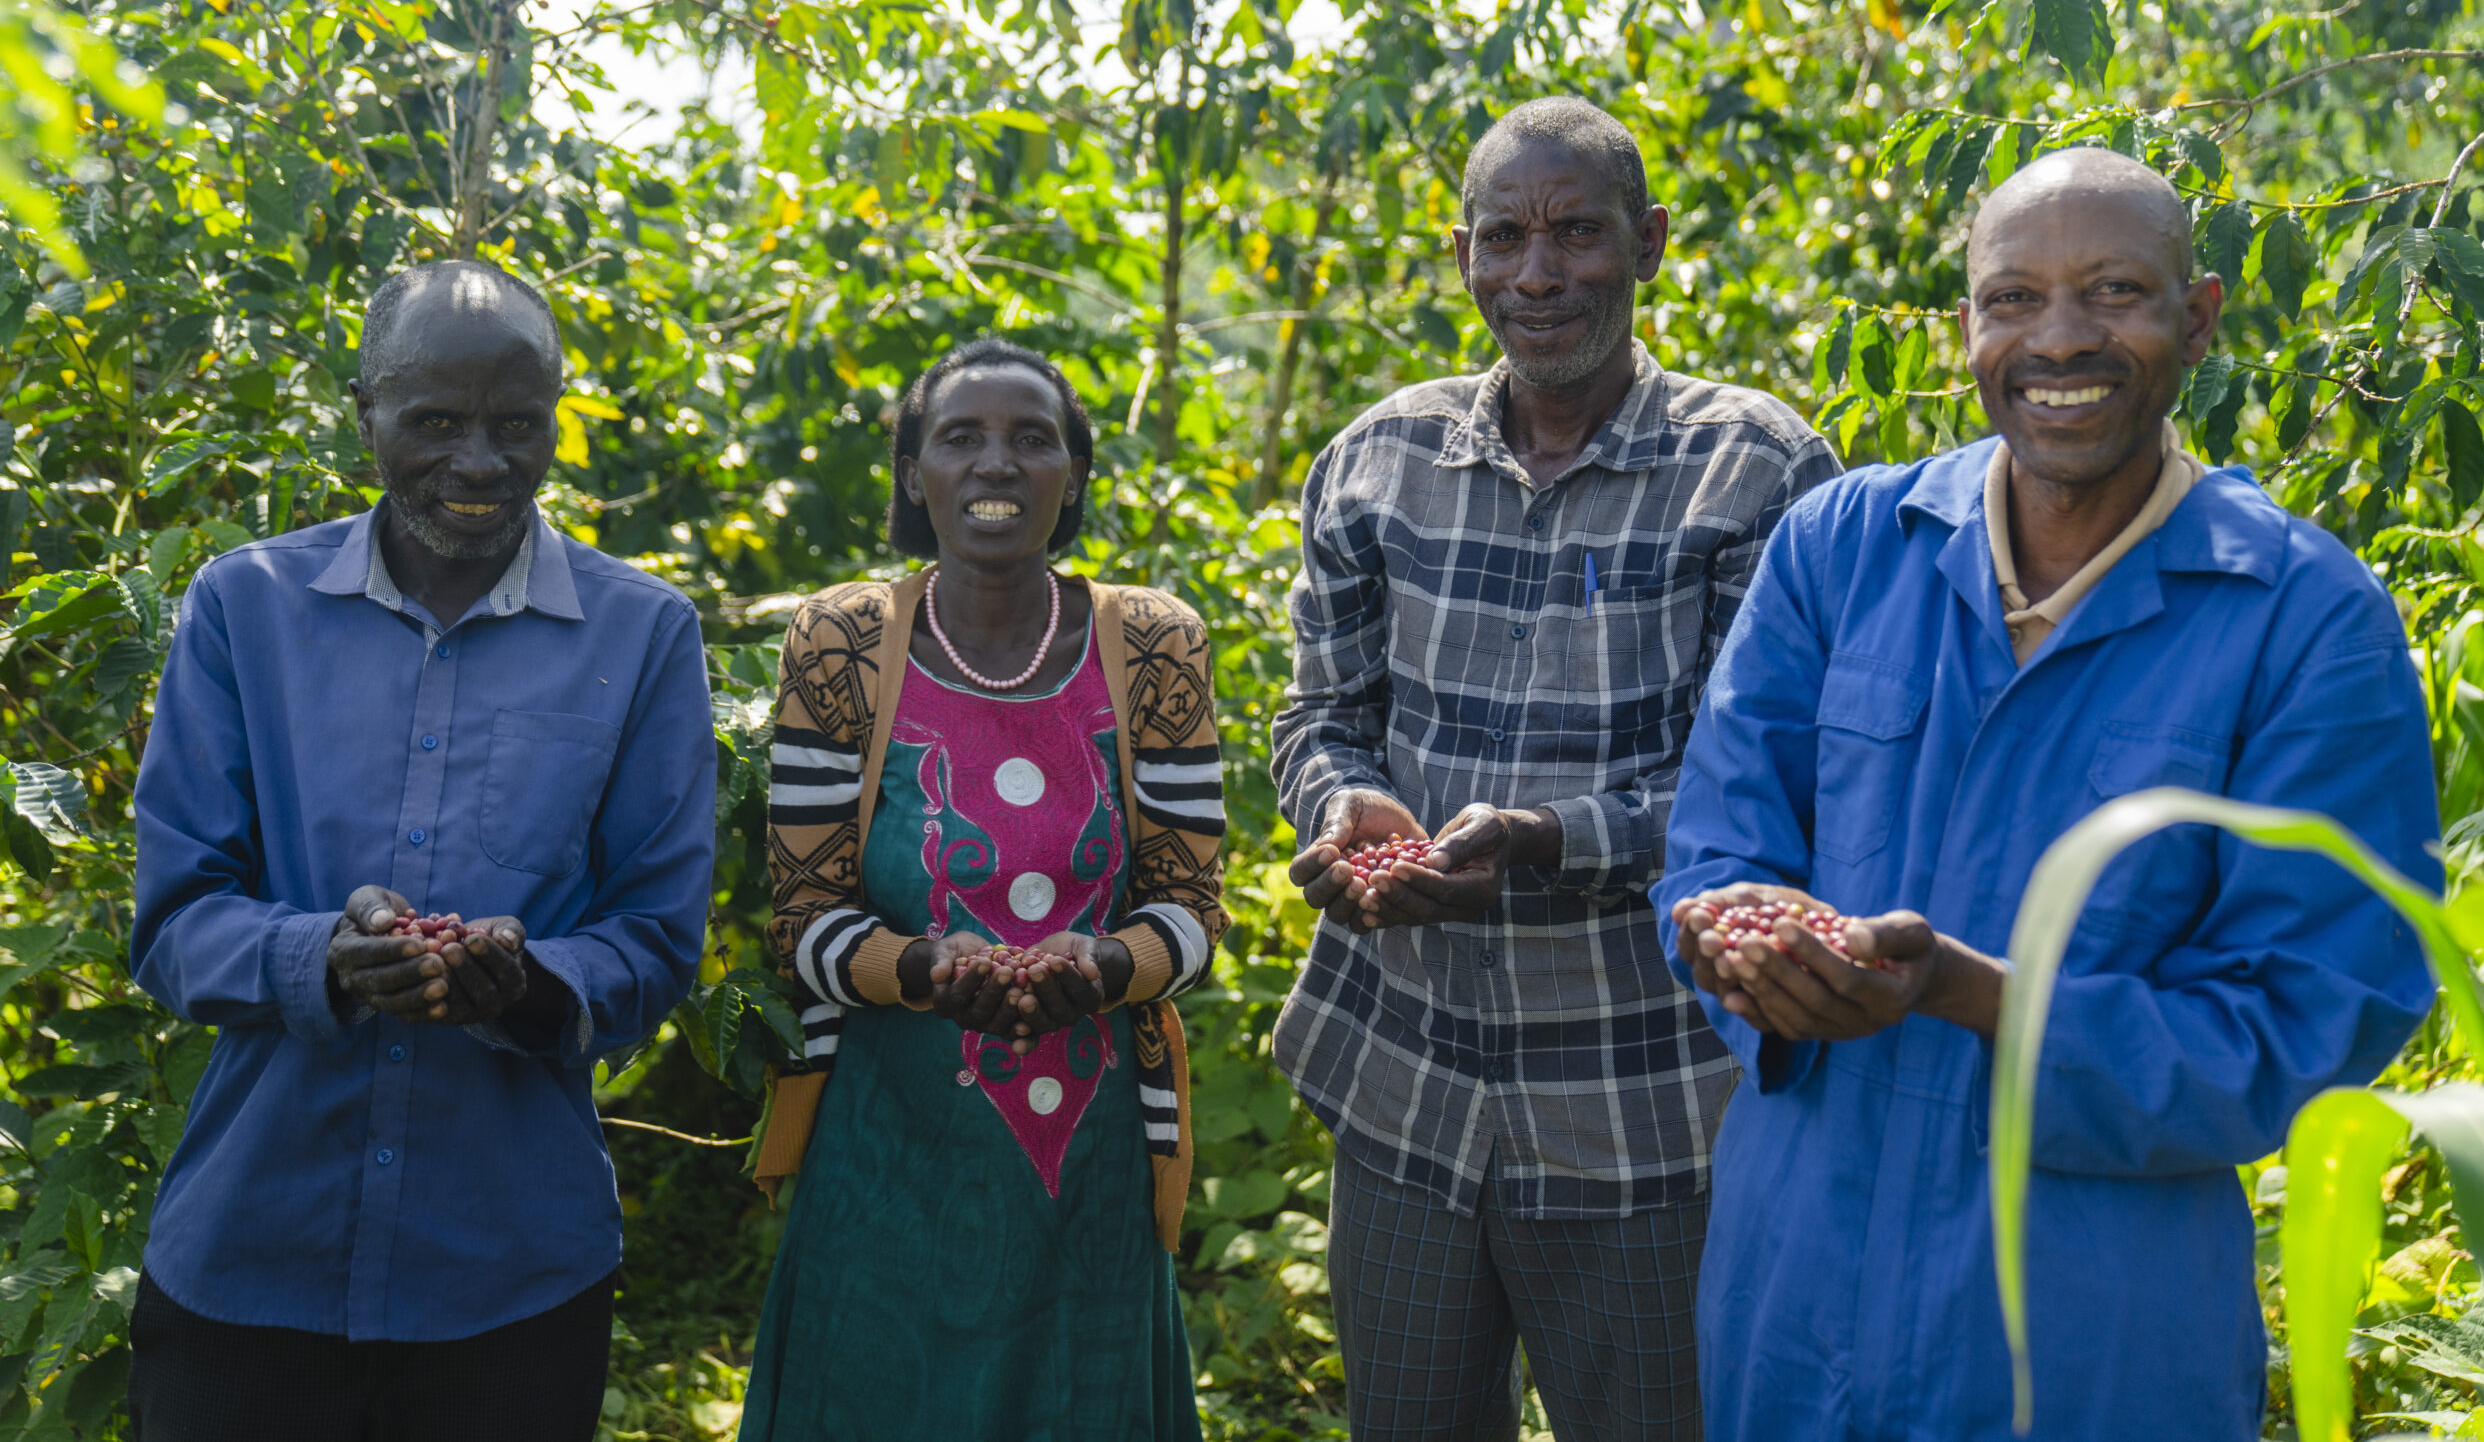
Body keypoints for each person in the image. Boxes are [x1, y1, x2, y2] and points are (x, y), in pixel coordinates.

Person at [1656, 149, 2440, 1439]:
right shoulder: (1844, 547)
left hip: (2089, 1328)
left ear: (2196, 319)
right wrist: (1745, 957)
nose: (2058, 339)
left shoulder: (2303, 620)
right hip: (1794, 1291)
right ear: (1966, 328)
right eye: (2012, 299)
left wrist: (1969, 995)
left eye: (2116, 291)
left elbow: (2310, 1021)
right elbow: (1716, 849)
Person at [1269, 97, 1840, 1442]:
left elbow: (1769, 783)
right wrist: (1342, 806)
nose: (1538, 275)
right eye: (1503, 237)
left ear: (1645, 243)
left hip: (1641, 1104)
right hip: (1402, 1081)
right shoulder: (1377, 458)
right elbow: (1319, 711)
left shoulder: (1752, 468)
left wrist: (1547, 836)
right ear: (1462, 252)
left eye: (1579, 233)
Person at [126, 259, 717, 1442]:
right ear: (368, 415)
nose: (479, 461)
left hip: (509, 1279)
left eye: (516, 422)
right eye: (434, 421)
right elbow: (175, 921)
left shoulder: (643, 633)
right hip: (252, 1257)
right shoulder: (245, 608)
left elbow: (654, 940)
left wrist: (536, 982)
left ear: (556, 416)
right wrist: (322, 960)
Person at [740, 338, 1227, 1441]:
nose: (995, 465)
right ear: (915, 473)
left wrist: (1105, 964)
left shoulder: (1151, 644)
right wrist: (919, 968)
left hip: (1090, 1160)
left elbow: (1193, 911)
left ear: (1073, 473)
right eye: (959, 439)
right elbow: (801, 917)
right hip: (885, 1149)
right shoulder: (842, 640)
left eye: (1030, 439)